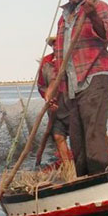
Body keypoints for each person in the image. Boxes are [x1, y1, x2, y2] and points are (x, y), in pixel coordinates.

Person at [50, 0, 108, 176]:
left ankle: (100, 178)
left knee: (93, 134)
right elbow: (60, 56)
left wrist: (93, 15)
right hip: (72, 84)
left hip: (94, 77)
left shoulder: (99, 7)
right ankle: (85, 180)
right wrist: (55, 88)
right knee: (76, 138)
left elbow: (107, 35)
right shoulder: (64, 17)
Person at [37, 36, 71, 164]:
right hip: (55, 109)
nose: (56, 46)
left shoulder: (72, 59)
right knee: (58, 136)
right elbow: (41, 85)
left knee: (79, 137)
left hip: (72, 106)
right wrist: (48, 100)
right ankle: (68, 167)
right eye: (54, 44)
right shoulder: (46, 62)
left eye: (59, 43)